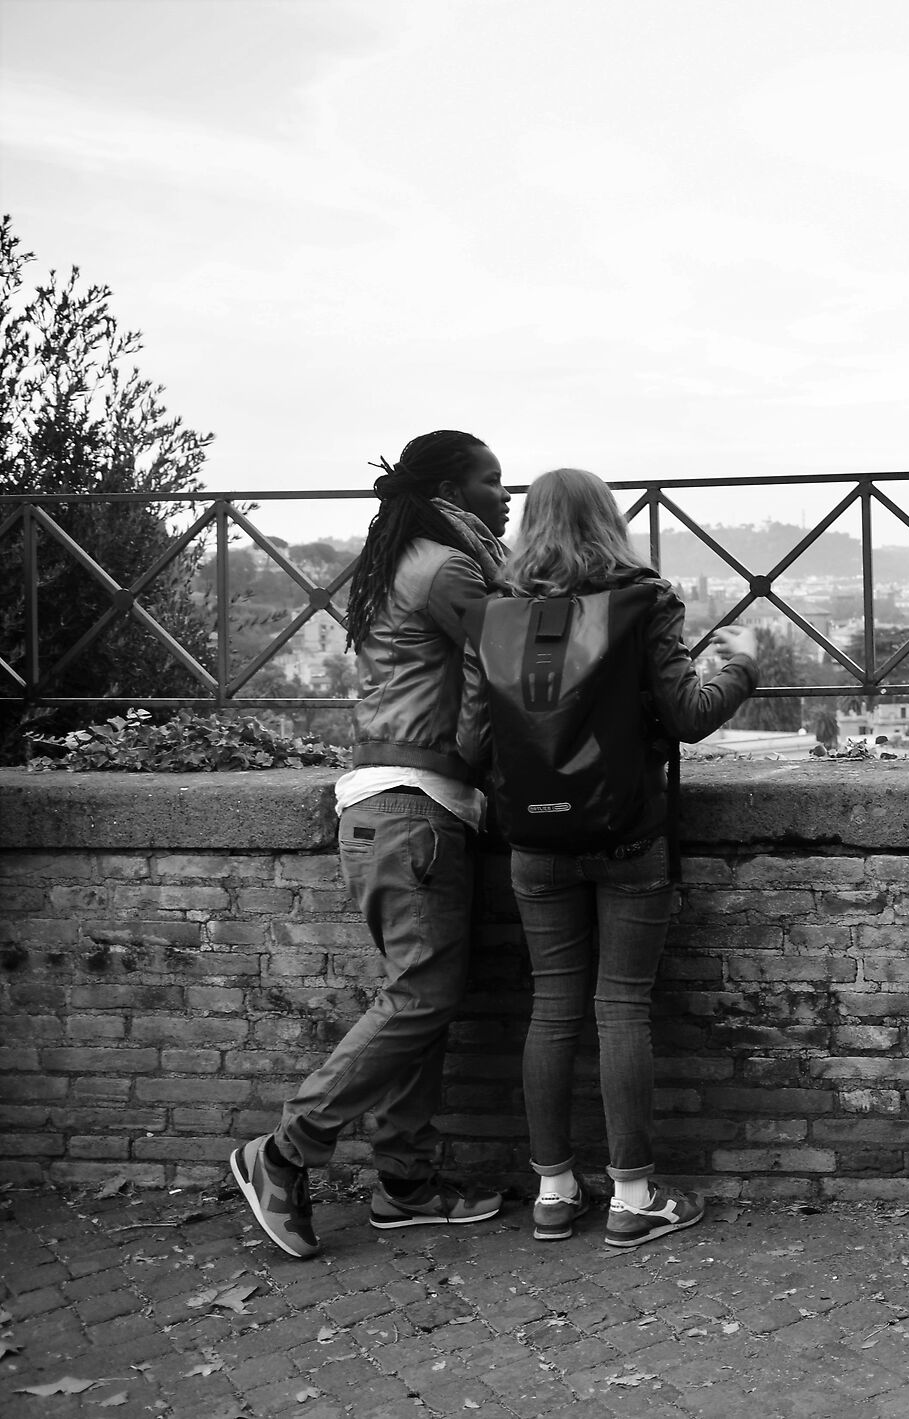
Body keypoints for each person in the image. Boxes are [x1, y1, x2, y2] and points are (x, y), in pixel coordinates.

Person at [456, 467, 758, 1247]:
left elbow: (469, 742)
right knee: (621, 1005)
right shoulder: (641, 601)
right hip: (627, 834)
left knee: (553, 1006)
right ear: (610, 521)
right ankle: (632, 1197)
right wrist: (742, 664)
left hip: (533, 842)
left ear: (528, 526)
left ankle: (554, 1190)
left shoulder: (492, 616)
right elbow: (689, 715)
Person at [231, 430, 513, 1259]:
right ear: (452, 490)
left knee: (416, 996)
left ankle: (407, 1182)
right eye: (492, 480)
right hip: (414, 809)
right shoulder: (451, 566)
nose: (507, 494)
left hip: (388, 809)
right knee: (422, 996)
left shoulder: (406, 558)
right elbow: (512, 665)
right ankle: (283, 1152)